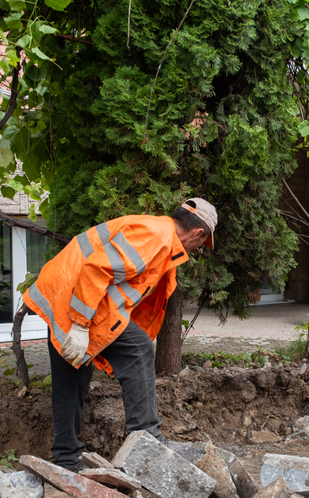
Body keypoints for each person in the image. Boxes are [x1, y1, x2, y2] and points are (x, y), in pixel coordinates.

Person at [24, 199, 217, 471]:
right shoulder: (156, 235)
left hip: (69, 295)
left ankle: (66, 458)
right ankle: (148, 439)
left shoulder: (158, 234)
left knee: (72, 374)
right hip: (77, 300)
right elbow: (96, 269)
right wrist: (80, 325)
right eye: (200, 244)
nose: (196, 250)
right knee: (138, 348)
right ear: (198, 234)